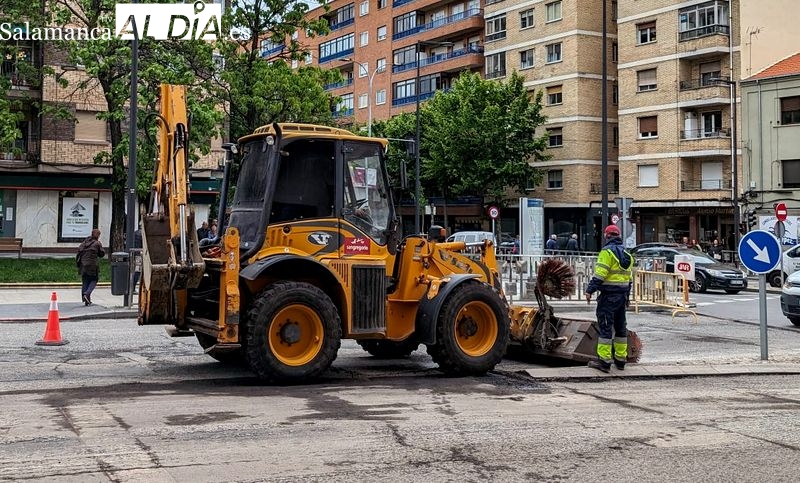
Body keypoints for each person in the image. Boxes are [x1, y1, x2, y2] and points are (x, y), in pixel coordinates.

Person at [584, 225, 634, 373]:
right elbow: (629, 279)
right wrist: (627, 297)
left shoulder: (607, 252)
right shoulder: (627, 254)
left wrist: (590, 290)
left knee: (605, 328)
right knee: (620, 329)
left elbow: (600, 274)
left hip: (608, 297)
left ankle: (604, 362)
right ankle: (620, 360)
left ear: (606, 236)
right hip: (622, 296)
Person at [76, 228, 105, 306]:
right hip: (92, 265)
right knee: (94, 280)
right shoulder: (97, 243)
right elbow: (102, 254)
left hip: (83, 265)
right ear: (98, 235)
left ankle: (86, 300)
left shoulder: (84, 242)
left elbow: (79, 251)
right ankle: (87, 294)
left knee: (85, 281)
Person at [132, 224, 143, 294]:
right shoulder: (142, 234)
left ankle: (132, 287)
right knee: (138, 271)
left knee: (137, 271)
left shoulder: (135, 233)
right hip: (140, 255)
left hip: (136, 254)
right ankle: (133, 288)